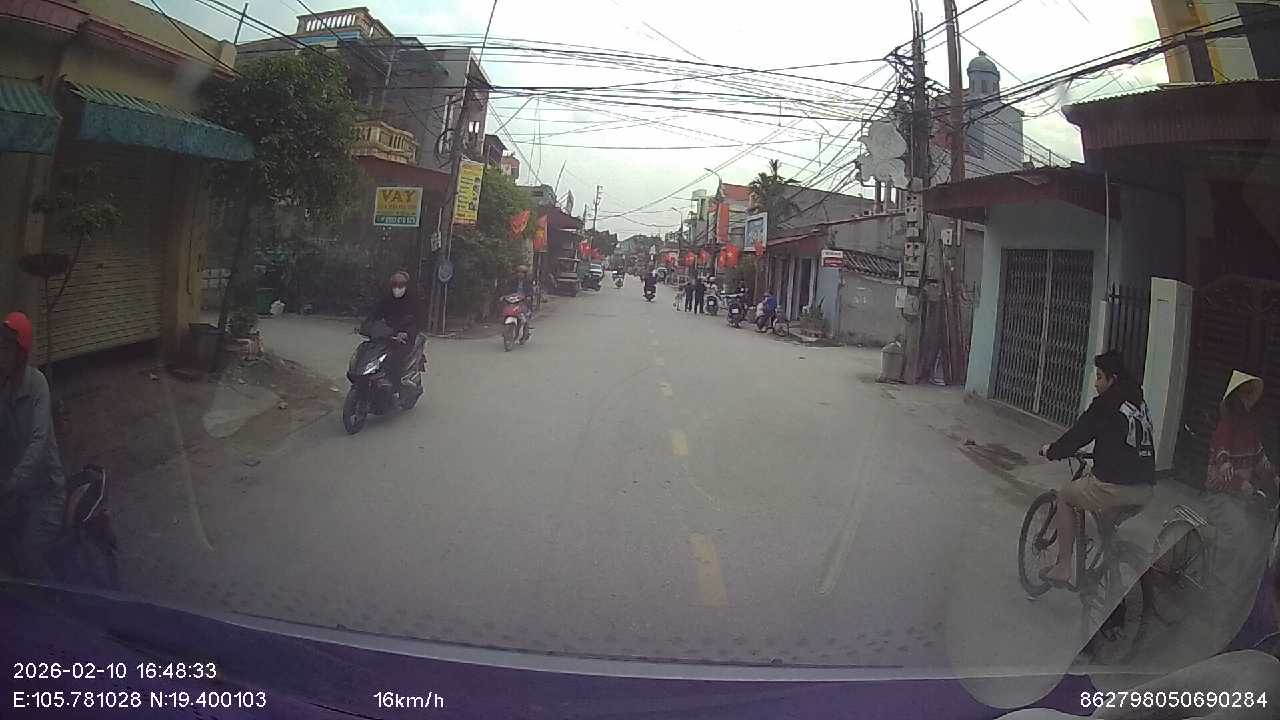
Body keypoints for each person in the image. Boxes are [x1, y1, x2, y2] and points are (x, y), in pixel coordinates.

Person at [1039, 350, 1155, 585]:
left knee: (1065, 497)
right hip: (1145, 489)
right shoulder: (1138, 402)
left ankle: (1063, 567)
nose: (1096, 383)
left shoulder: (1106, 403)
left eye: (1100, 377)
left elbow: (1079, 435)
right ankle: (1110, 567)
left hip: (1115, 485)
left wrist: (1052, 450)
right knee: (1105, 522)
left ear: (1113, 379)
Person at [1200, 370, 1277, 652]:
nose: (1246, 400)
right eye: (1242, 395)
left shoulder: (1251, 429)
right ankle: (1218, 601)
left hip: (1244, 497)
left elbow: (1261, 461)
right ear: (1234, 399)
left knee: (1258, 532)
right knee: (1238, 533)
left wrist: (1275, 477)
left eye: (1249, 395)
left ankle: (1242, 595)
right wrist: (1245, 487)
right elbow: (1224, 468)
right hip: (1221, 496)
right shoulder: (1225, 428)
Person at [0, 312, 65, 580]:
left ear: (21, 353)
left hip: (46, 492)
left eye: (6, 348)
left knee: (29, 556)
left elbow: (39, 442)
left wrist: (11, 483)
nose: (0, 354)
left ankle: (54, 597)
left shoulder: (37, 383)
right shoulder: (3, 388)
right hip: (16, 493)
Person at [364, 271, 426, 389]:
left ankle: (396, 389)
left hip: (405, 339)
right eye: (395, 285)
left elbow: (420, 321)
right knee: (369, 352)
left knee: (394, 359)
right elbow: (375, 314)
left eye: (400, 285)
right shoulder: (387, 299)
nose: (397, 288)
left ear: (406, 286)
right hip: (388, 335)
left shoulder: (414, 301)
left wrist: (407, 333)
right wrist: (367, 326)